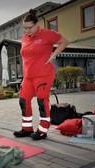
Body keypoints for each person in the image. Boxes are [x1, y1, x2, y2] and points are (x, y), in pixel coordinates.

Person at [13, 9, 68, 140]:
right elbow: (26, 57)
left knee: (42, 102)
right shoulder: (24, 38)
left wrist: (54, 55)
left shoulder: (47, 34)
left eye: (29, 28)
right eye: (24, 28)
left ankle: (43, 130)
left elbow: (65, 41)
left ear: (37, 24)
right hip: (28, 77)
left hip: (43, 75)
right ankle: (27, 128)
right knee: (23, 101)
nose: (26, 31)